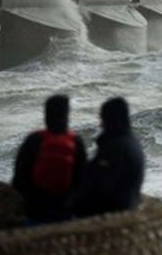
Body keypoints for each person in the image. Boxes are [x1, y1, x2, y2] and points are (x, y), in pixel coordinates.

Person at [12, 94, 87, 224]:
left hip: (36, 211)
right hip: (66, 212)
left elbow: (19, 179)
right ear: (67, 115)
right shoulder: (76, 141)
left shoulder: (34, 140)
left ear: (46, 115)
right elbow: (82, 181)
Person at [75, 97, 145, 217]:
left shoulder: (116, 146)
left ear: (111, 120)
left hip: (114, 210)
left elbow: (102, 185)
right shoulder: (131, 141)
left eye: (103, 119)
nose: (100, 124)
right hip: (129, 204)